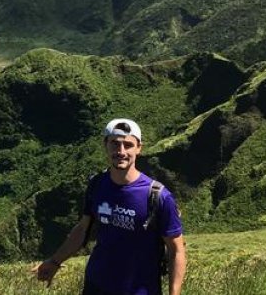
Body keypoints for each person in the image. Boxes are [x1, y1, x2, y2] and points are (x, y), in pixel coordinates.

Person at [30, 118, 185, 295]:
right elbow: (83, 229)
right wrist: (55, 261)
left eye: (128, 145)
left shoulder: (159, 197)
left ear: (139, 148)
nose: (121, 151)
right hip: (96, 286)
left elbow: (176, 250)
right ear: (106, 145)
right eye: (115, 144)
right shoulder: (97, 185)